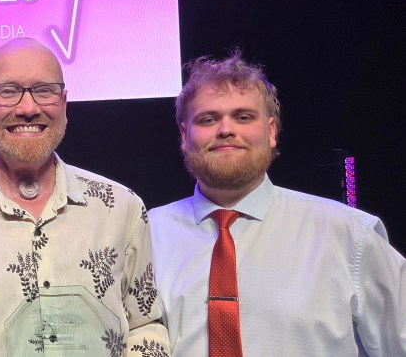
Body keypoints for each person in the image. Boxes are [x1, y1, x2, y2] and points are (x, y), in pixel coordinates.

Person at [0, 38, 169, 357]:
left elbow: (146, 324)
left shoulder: (121, 208)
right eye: (7, 91)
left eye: (44, 90)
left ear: (64, 104)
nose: (28, 108)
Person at [149, 50, 406, 356]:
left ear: (271, 131)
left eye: (243, 117)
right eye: (208, 119)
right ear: (184, 135)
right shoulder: (143, 235)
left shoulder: (351, 236)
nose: (226, 129)